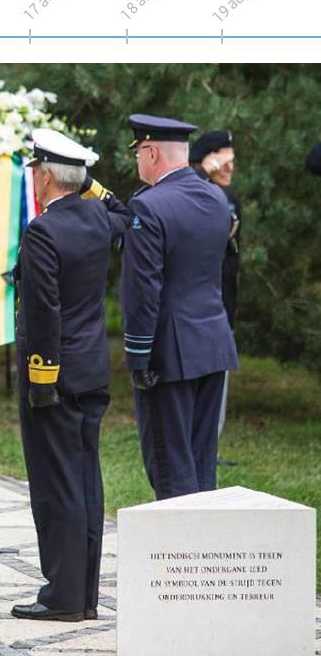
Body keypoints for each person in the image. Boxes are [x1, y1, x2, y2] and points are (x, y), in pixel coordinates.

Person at [10, 129, 131, 623]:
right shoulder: (98, 216)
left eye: (36, 170)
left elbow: (44, 313)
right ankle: (83, 596)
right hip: (91, 370)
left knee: (56, 486)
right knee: (84, 483)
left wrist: (41, 380)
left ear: (43, 176)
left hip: (56, 376)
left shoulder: (43, 231)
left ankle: (62, 596)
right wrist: (89, 182)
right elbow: (127, 212)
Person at [122, 115, 239, 501]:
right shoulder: (215, 198)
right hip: (213, 342)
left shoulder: (148, 206)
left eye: (138, 152)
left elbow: (143, 290)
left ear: (152, 152)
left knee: (171, 468)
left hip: (168, 353)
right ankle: (204, 539)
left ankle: (181, 543)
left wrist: (138, 356)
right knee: (201, 461)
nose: (137, 160)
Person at [189, 130, 240, 451]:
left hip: (222, 303)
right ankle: (194, 449)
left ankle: (209, 449)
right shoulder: (194, 192)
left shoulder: (229, 198)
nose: (231, 168)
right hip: (195, 308)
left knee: (217, 386)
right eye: (225, 162)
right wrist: (200, 174)